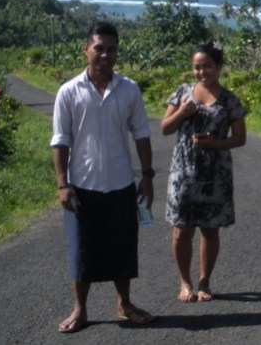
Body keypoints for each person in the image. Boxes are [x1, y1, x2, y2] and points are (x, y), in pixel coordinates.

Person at [51, 22, 156, 333]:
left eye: (111, 49)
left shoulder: (129, 89)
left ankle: (124, 303)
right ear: (86, 50)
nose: (105, 55)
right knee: (81, 249)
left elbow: (142, 134)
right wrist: (62, 183)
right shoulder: (68, 92)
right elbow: (60, 141)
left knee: (122, 247)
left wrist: (147, 176)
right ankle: (80, 310)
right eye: (99, 48)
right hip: (81, 186)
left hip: (122, 184)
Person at [160, 42, 247, 303]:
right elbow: (165, 128)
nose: (202, 71)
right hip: (182, 174)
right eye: (197, 67)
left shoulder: (229, 99)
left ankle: (205, 280)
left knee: (210, 230)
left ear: (219, 67)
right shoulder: (182, 93)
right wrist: (182, 113)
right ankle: (185, 281)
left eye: (207, 66)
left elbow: (240, 138)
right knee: (181, 230)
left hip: (215, 176)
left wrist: (216, 144)